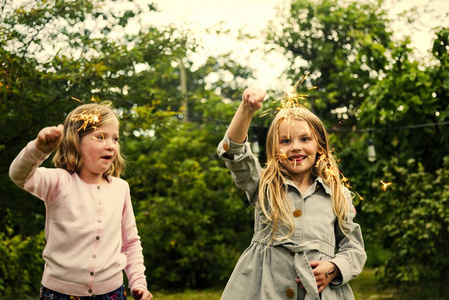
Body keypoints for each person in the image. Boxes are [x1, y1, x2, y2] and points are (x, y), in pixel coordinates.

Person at [217, 88, 366, 300]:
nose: (296, 147)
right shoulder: (263, 185)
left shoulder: (338, 194)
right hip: (263, 291)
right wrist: (246, 110)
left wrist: (334, 267)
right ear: (274, 147)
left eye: (305, 139)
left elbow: (353, 248)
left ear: (320, 145)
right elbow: (234, 153)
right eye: (285, 141)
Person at [9, 103, 152, 300]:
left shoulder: (121, 188)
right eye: (100, 137)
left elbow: (130, 243)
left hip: (112, 293)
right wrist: (38, 149)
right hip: (59, 294)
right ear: (76, 142)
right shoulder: (58, 181)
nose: (111, 145)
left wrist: (139, 283)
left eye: (115, 139)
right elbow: (19, 176)